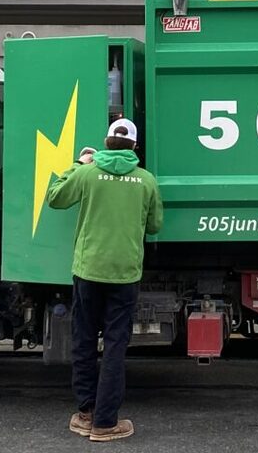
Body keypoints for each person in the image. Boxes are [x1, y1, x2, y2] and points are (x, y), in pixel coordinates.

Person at [46, 117, 163, 442]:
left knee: (83, 341)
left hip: (88, 271)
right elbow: (155, 225)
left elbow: (55, 197)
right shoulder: (146, 181)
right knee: (114, 346)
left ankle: (85, 414)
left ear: (106, 143)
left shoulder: (87, 172)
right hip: (124, 274)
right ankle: (105, 423)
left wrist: (78, 163)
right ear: (135, 147)